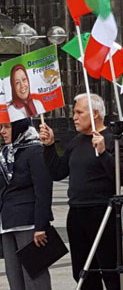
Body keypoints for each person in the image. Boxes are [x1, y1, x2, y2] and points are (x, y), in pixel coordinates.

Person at [40, 94, 122, 289]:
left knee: (110, 270)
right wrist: (50, 146)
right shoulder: (76, 141)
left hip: (103, 211)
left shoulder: (111, 139)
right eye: (74, 112)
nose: (74, 117)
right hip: (77, 211)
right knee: (82, 271)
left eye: (79, 112)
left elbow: (120, 177)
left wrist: (103, 153)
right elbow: (58, 172)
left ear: (95, 114)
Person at [0, 118, 53, 289]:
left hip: (29, 224)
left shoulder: (35, 151)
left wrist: (41, 226)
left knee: (35, 278)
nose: (2, 131)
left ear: (18, 128)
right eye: (1, 127)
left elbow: (43, 190)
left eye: (7, 127)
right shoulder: (6, 153)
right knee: (14, 277)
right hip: (7, 223)